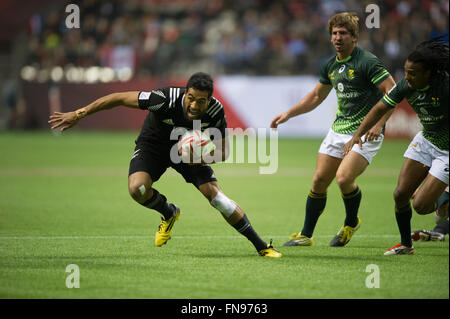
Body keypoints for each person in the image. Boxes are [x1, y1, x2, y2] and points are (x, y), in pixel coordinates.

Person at [48, 72, 282, 258]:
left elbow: (224, 152)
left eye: (201, 101)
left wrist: (197, 158)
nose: (193, 105)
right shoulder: (163, 99)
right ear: (185, 93)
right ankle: (168, 212)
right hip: (155, 144)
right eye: (190, 98)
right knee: (137, 190)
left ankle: (262, 246)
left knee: (218, 198)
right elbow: (118, 98)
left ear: (208, 100)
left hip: (188, 152)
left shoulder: (215, 111)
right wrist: (79, 114)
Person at [270, 12, 395, 247]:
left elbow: (393, 91)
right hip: (339, 129)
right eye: (334, 33)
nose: (338, 38)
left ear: (354, 37)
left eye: (343, 33)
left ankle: (350, 222)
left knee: (344, 178)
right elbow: (317, 96)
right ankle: (306, 235)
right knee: (318, 180)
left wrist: (379, 124)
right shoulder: (330, 65)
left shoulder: (367, 61)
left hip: (365, 132)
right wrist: (288, 114)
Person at [343, 37, 449, 255]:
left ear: (427, 73)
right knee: (400, 194)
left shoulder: (445, 88)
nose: (407, 77)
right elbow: (379, 109)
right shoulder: (405, 85)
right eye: (405, 71)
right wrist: (357, 135)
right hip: (427, 140)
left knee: (420, 206)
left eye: (413, 73)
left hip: (447, 152)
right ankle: (406, 245)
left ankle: (444, 197)